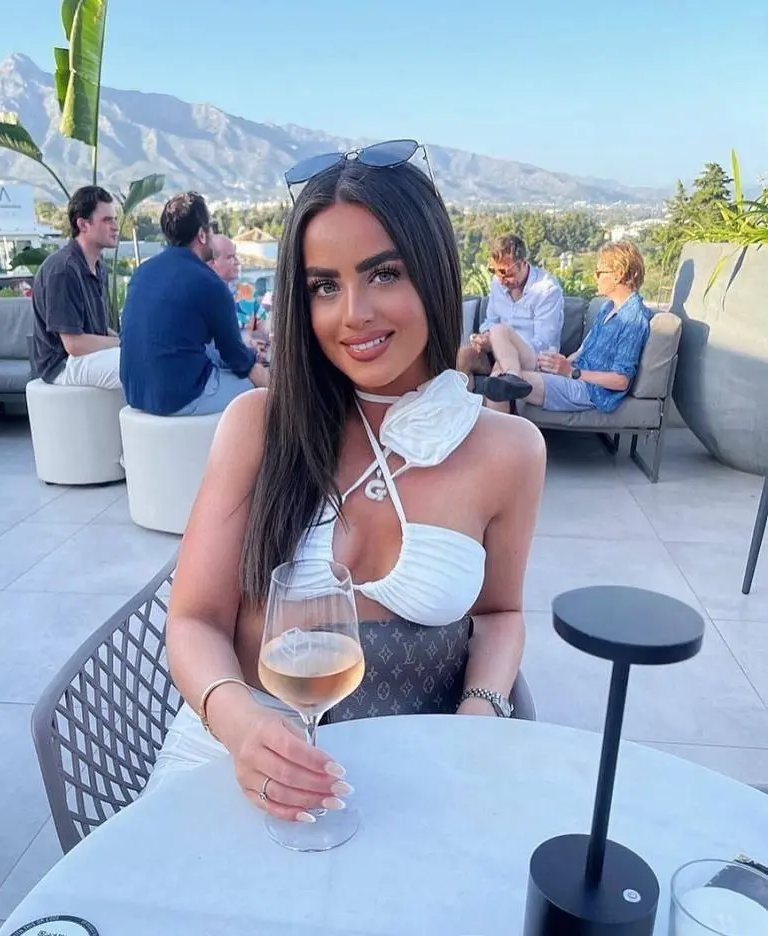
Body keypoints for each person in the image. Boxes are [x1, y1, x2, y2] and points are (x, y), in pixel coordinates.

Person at [151, 144, 546, 823]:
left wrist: (480, 712)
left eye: (384, 273)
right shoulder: (259, 427)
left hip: (409, 769)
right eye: (324, 287)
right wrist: (240, 724)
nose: (353, 313)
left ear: (434, 271)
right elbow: (193, 621)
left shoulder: (509, 452)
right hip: (239, 753)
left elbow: (499, 613)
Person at [119, 192, 268, 417]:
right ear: (202, 235)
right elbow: (236, 357)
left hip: (135, 393)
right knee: (259, 393)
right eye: (210, 229)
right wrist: (265, 373)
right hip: (180, 397)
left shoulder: (142, 272)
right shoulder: (209, 282)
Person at [481, 241, 652, 414]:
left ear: (618, 275)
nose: (595, 278)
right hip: (573, 374)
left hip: (589, 390)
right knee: (498, 330)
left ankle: (504, 405)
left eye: (599, 272)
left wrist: (572, 372)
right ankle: (512, 375)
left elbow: (621, 380)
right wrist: (560, 363)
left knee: (500, 381)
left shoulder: (633, 318)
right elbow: (583, 350)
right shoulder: (607, 308)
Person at [31, 186, 121, 388]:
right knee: (140, 367)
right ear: (83, 224)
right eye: (107, 220)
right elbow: (74, 344)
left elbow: (97, 330)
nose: (116, 226)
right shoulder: (63, 269)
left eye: (115, 219)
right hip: (62, 364)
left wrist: (131, 341)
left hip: (87, 357)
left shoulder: (98, 268)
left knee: (149, 357)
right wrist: (123, 343)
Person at [457, 234, 564, 389]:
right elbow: (490, 321)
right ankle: (464, 404)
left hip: (534, 357)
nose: (501, 279)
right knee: (463, 357)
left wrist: (505, 346)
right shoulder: (498, 283)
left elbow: (543, 343)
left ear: (523, 263)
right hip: (496, 351)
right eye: (494, 271)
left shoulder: (546, 290)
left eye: (505, 272)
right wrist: (486, 338)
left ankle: (506, 378)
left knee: (500, 370)